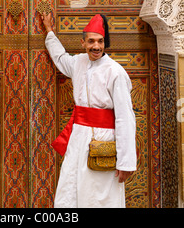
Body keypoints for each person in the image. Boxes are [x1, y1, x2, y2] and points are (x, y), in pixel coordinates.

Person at [41, 12, 137, 208]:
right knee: (70, 192)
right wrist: (50, 32)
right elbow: (60, 58)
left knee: (99, 198)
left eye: (100, 41)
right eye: (92, 41)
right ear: (83, 43)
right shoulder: (78, 63)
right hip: (77, 139)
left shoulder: (115, 72)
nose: (96, 46)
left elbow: (125, 118)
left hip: (102, 142)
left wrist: (126, 162)